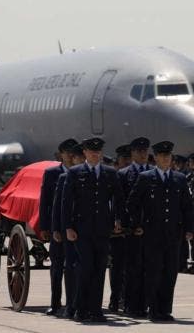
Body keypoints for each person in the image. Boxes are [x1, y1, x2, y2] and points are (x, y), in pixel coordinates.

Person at [128, 141, 194, 322]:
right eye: (162, 156)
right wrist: (137, 225)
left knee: (170, 272)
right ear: (155, 158)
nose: (165, 159)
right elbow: (132, 203)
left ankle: (165, 309)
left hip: (173, 234)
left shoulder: (179, 178)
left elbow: (187, 206)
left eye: (168, 156)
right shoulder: (146, 177)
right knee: (153, 271)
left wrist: (189, 228)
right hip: (152, 234)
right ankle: (153, 309)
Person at [62, 137, 124, 323]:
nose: (95, 154)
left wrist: (118, 219)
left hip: (103, 230)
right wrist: (68, 227)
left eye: (98, 151)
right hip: (82, 230)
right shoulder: (75, 173)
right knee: (85, 268)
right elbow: (66, 202)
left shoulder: (110, 173)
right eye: (91, 151)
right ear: (85, 153)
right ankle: (81, 309)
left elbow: (118, 198)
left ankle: (96, 310)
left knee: (99, 269)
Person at [38, 138, 78, 316]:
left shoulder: (81, 172)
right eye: (67, 151)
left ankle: (73, 303)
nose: (70, 155)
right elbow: (46, 202)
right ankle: (55, 304)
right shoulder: (52, 173)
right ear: (60, 154)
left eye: (73, 152)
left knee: (75, 267)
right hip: (59, 229)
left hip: (77, 229)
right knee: (57, 267)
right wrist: (46, 227)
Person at [114, 137, 150, 315]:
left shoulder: (153, 173)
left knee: (149, 268)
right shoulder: (123, 174)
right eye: (139, 152)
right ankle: (129, 304)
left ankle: (145, 304)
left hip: (150, 229)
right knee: (131, 269)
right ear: (133, 154)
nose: (143, 155)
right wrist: (124, 223)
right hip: (130, 230)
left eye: (145, 151)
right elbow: (121, 203)